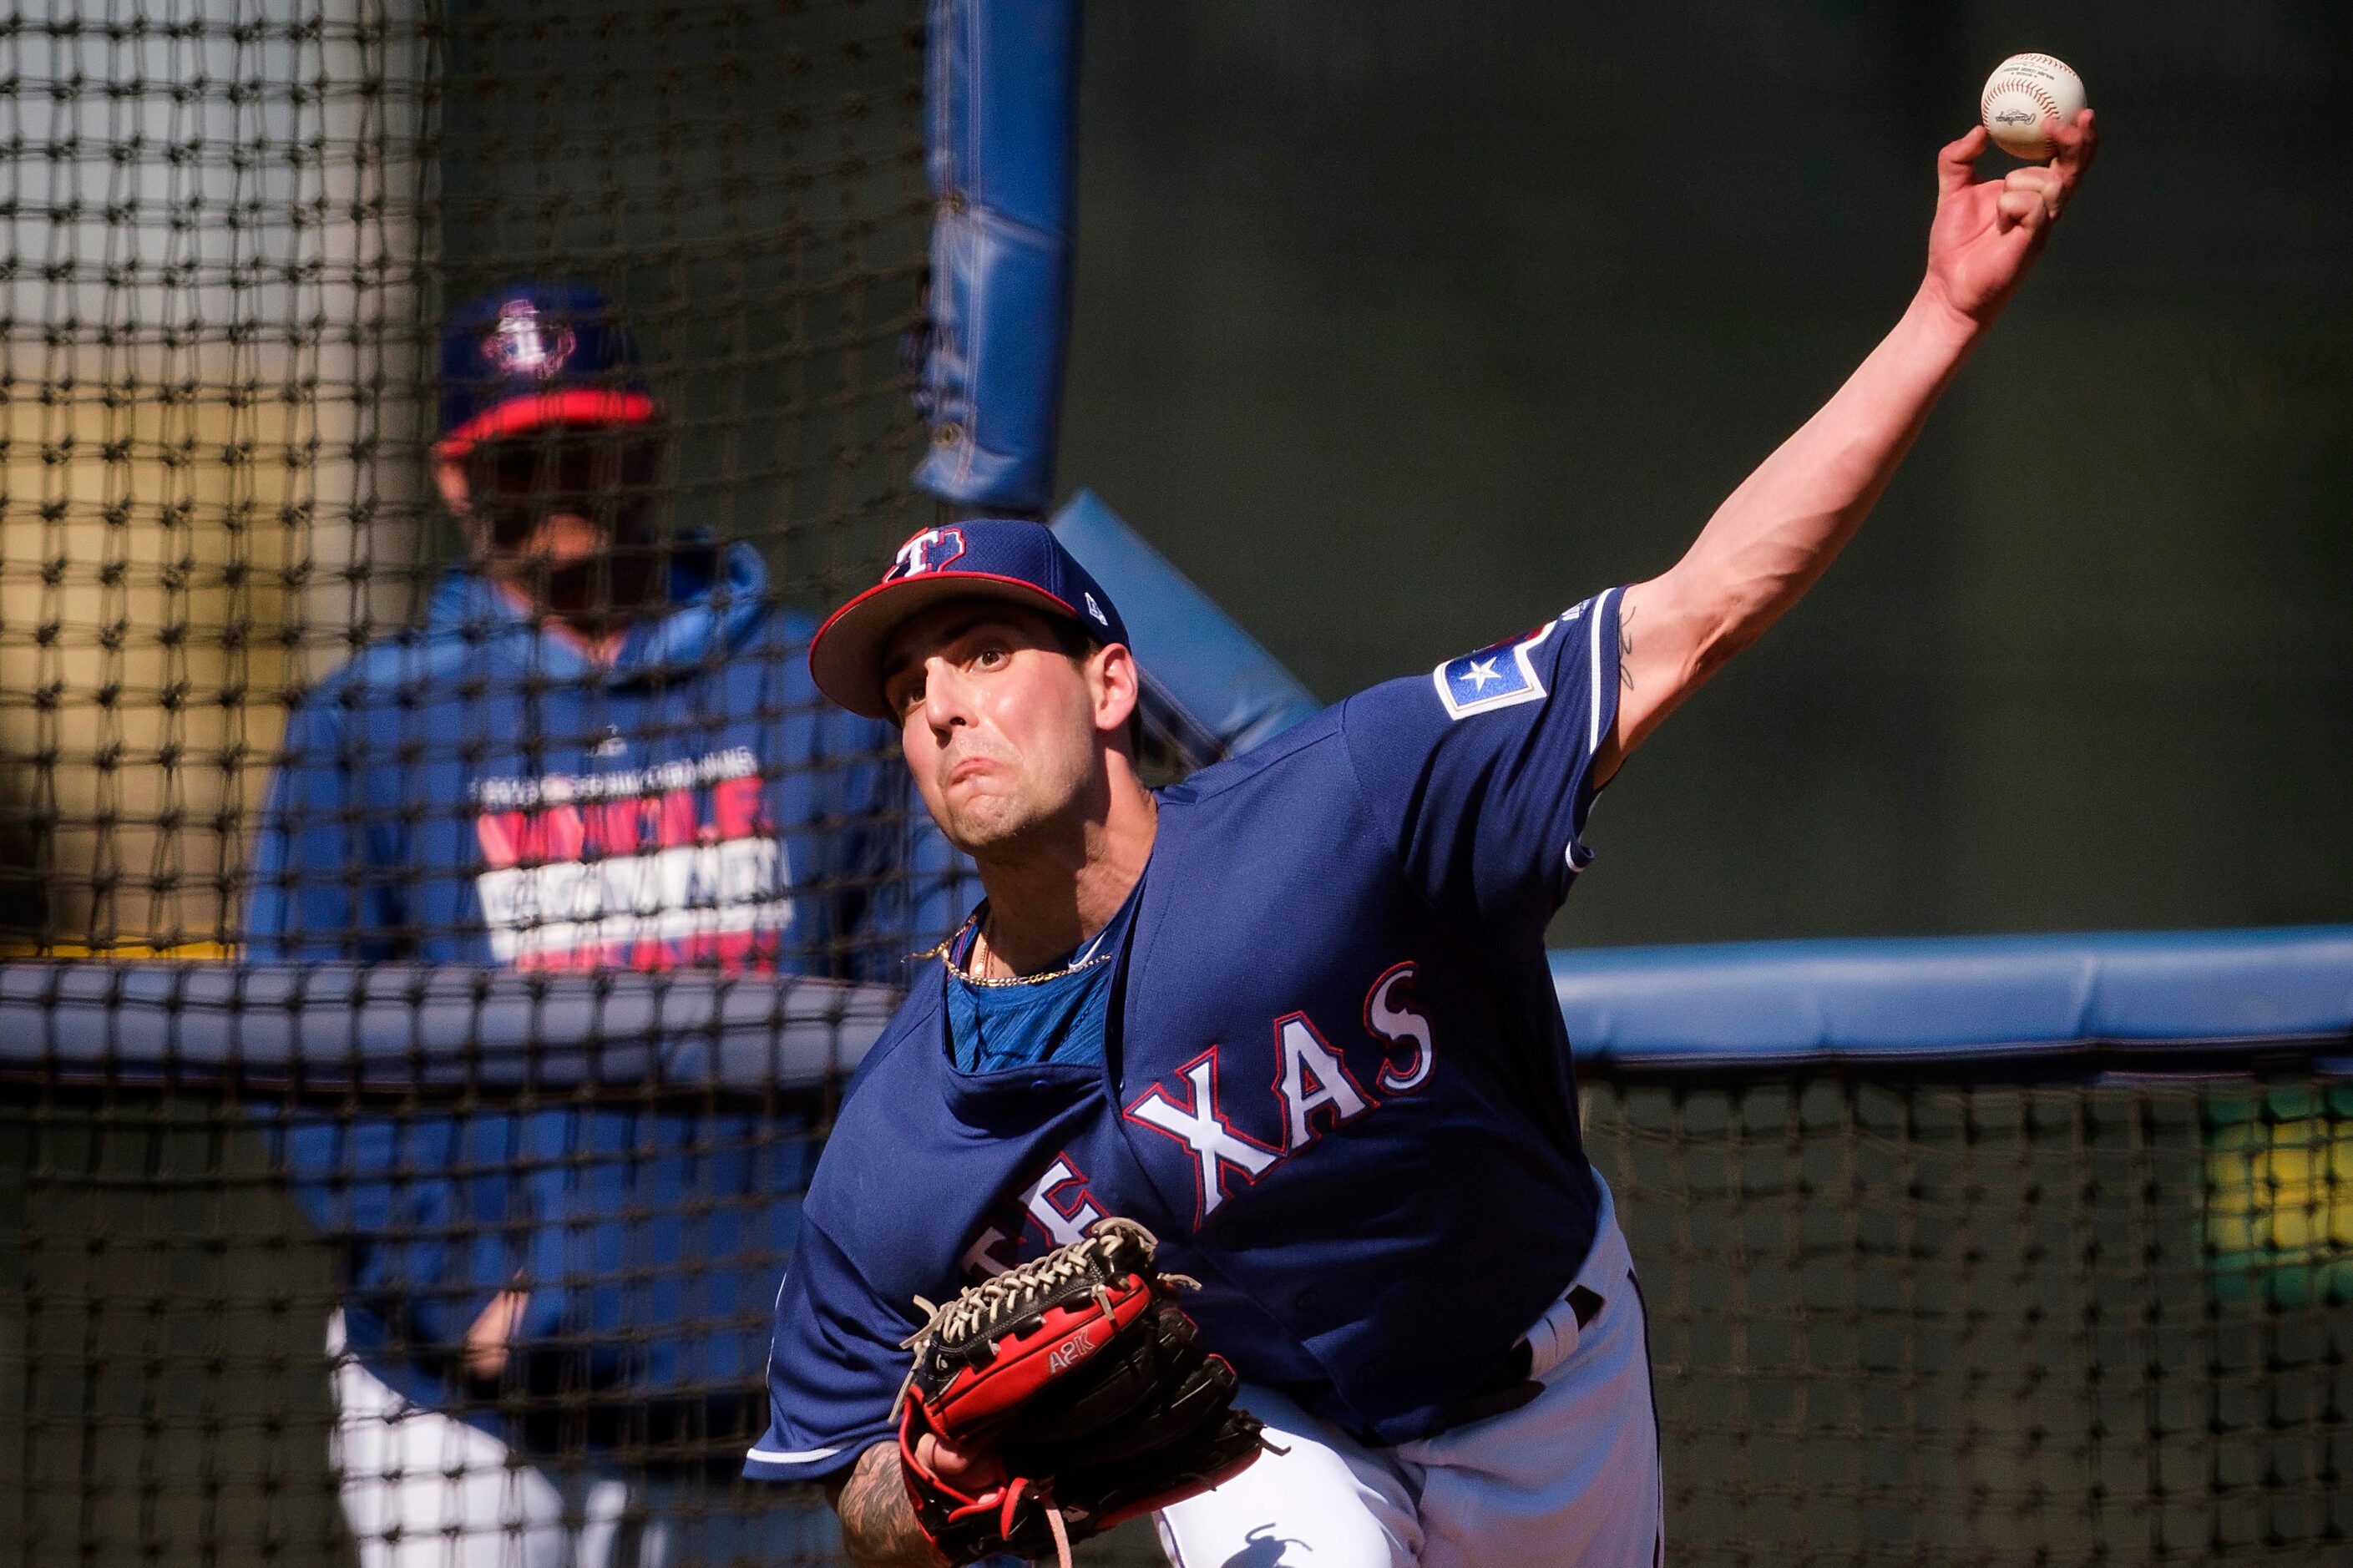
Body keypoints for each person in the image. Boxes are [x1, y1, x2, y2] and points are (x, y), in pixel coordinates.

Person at [744, 116, 2097, 1566]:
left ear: (1110, 682)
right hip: (1266, 1441)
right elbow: (848, 1478)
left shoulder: (1352, 804)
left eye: (982, 649)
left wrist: (1940, 316)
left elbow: (1696, 613)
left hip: (1550, 1389)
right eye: (906, 686)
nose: (942, 702)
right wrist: (936, 1490)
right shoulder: (902, 1135)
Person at [245, 282, 959, 1567]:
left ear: (647, 446)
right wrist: (462, 1287)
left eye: (581, 446)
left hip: (765, 1401)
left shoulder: (823, 694)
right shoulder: (372, 725)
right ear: (456, 479)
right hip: (468, 1421)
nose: (554, 484)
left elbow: (929, 998)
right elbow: (300, 1050)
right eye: (514, 457)